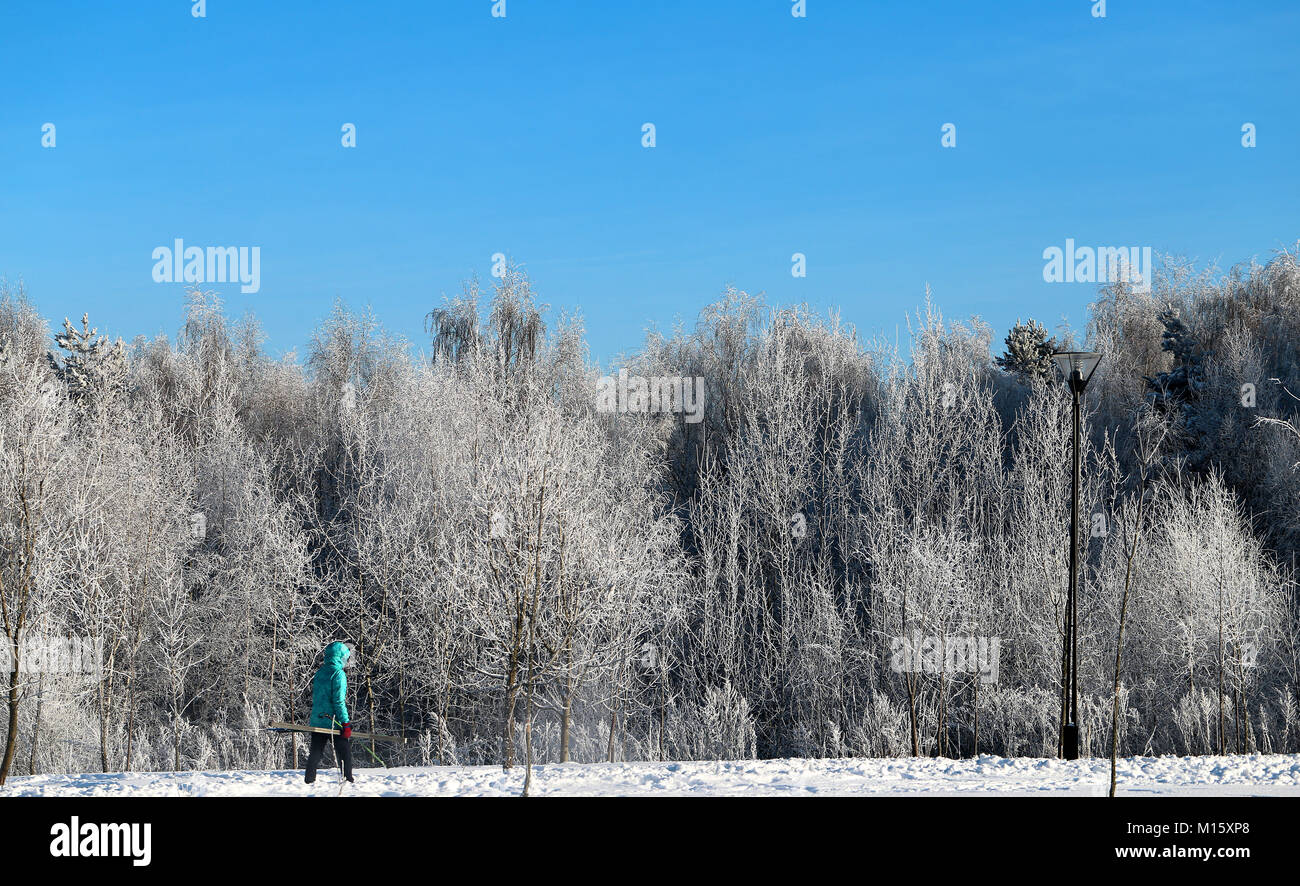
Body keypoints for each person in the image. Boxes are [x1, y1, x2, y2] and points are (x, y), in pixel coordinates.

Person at [304, 641, 355, 785]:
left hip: (318, 719)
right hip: (333, 721)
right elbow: (338, 701)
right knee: (344, 751)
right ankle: (348, 780)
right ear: (340, 657)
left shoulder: (320, 673)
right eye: (346, 657)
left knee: (315, 751)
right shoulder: (338, 674)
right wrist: (345, 723)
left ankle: (309, 780)